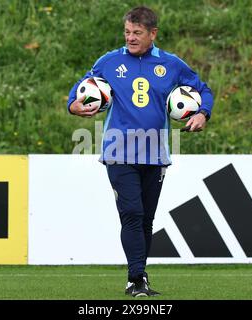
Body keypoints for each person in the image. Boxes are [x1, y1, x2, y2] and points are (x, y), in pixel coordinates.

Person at [67, 6, 214, 297]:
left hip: (155, 153)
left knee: (146, 218)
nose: (130, 38)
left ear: (152, 34)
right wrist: (74, 105)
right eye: (127, 32)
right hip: (119, 152)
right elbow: (80, 90)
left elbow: (203, 89)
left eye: (137, 33)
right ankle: (136, 279)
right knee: (132, 213)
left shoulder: (171, 65)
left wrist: (202, 114)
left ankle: (137, 277)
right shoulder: (109, 61)